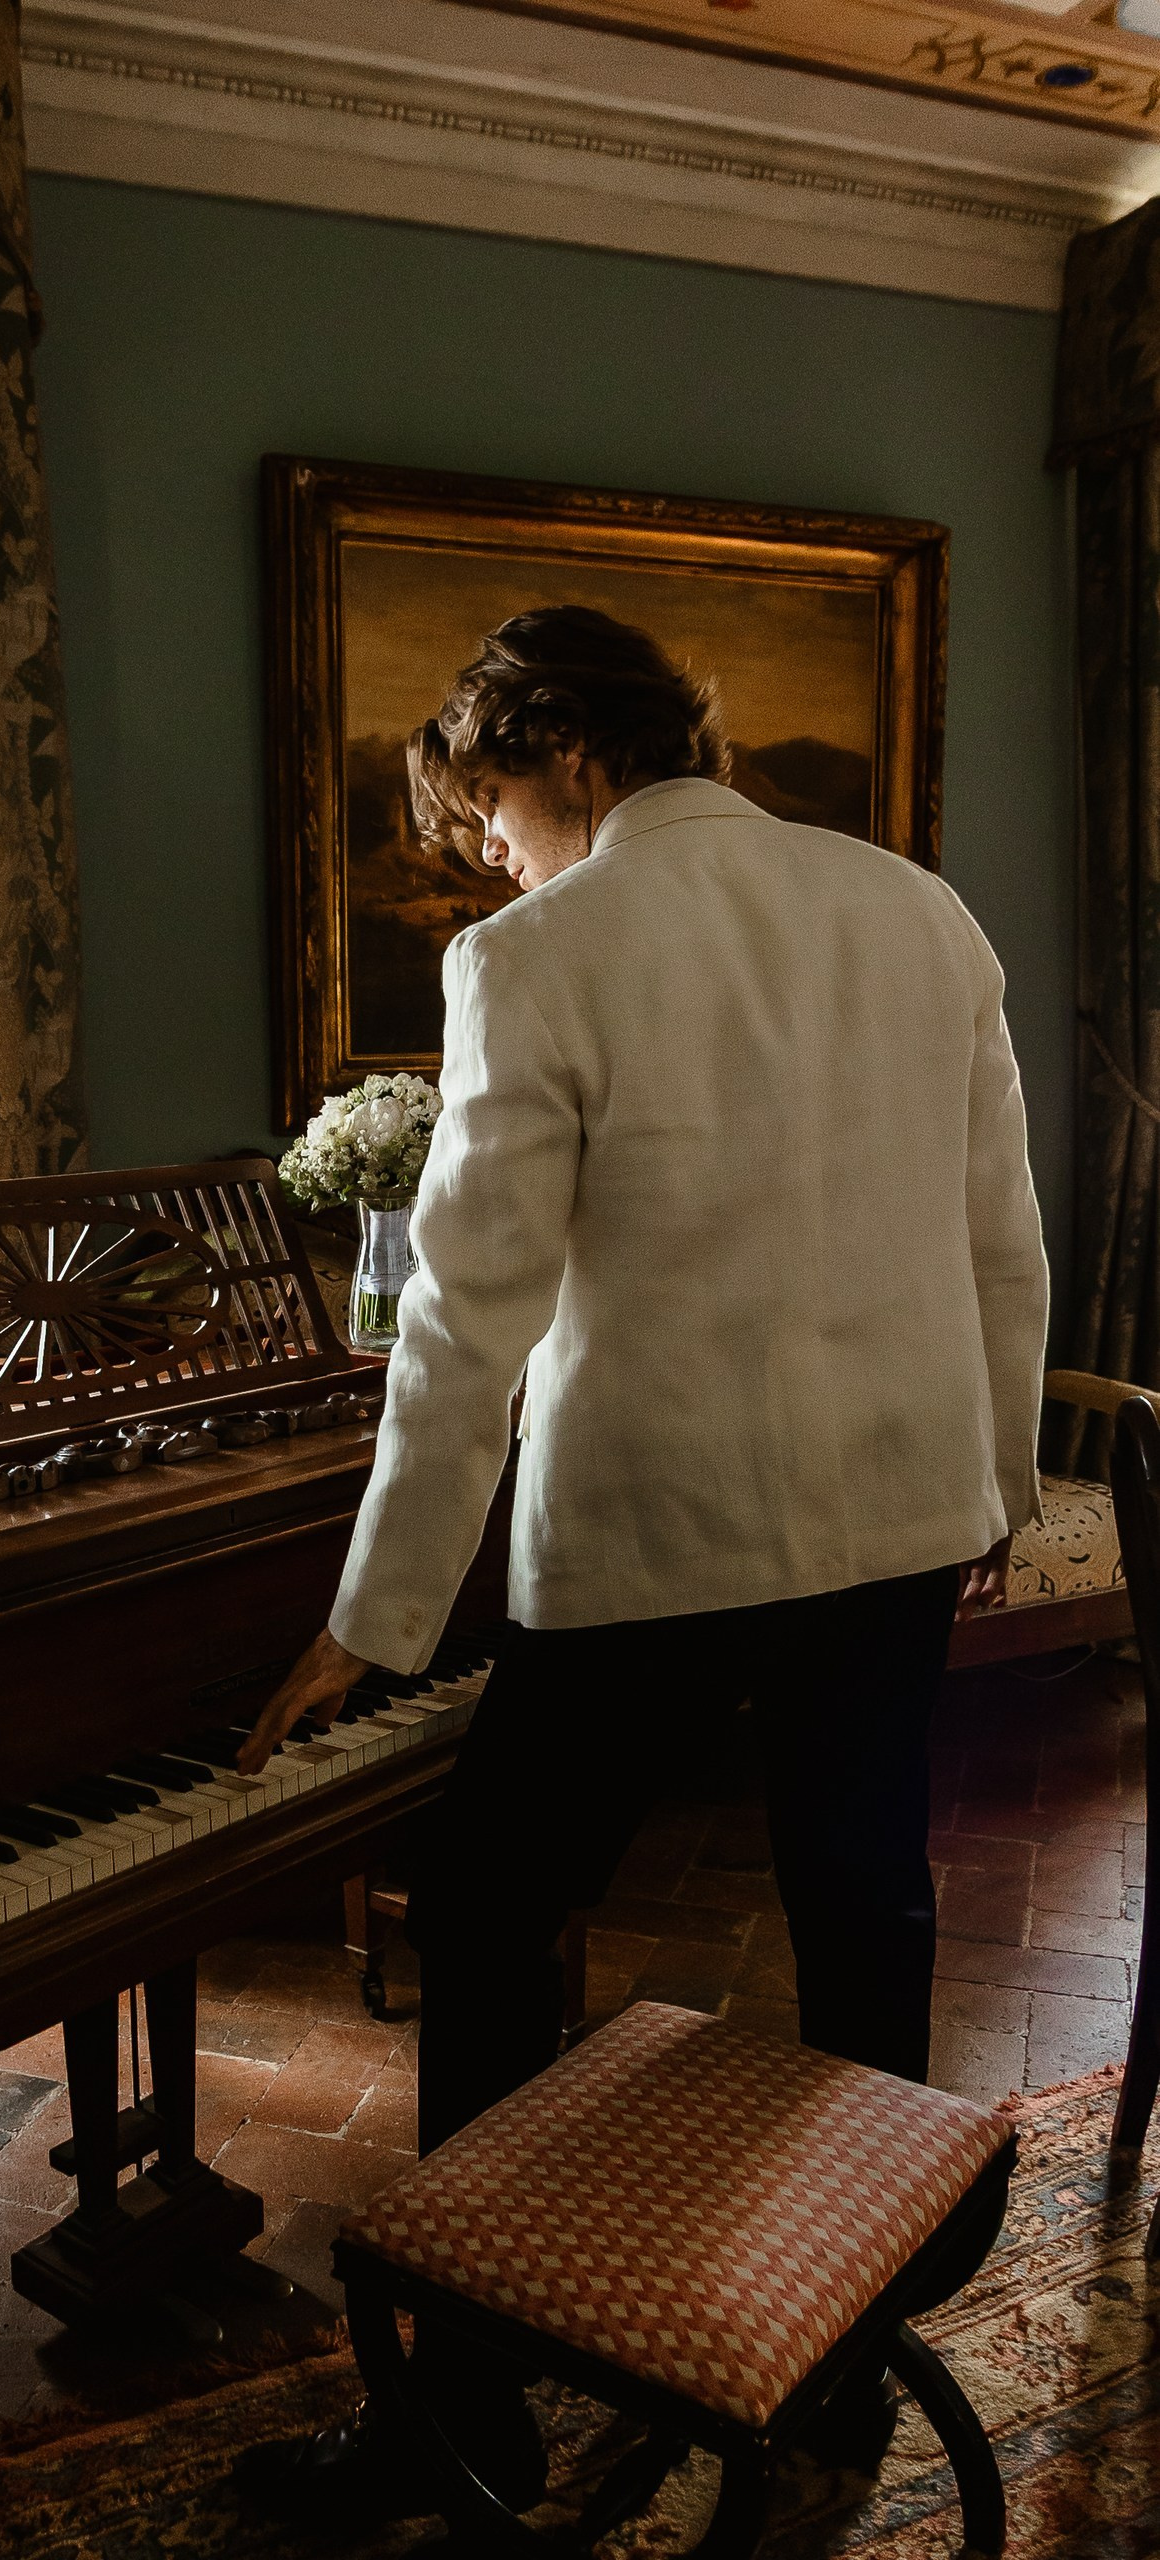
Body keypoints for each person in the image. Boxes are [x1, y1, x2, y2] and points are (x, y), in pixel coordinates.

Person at [234, 604, 1048, 2524]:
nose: (500, 855)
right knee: (865, 1899)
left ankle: (472, 2411)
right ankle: (840, 2381)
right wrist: (996, 1490)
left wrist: (372, 1620)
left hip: (670, 1536)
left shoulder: (541, 955)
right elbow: (1004, 1239)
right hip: (903, 1513)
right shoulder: (924, 915)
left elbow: (461, 1324)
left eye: (500, 810)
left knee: (495, 1908)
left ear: (570, 758)